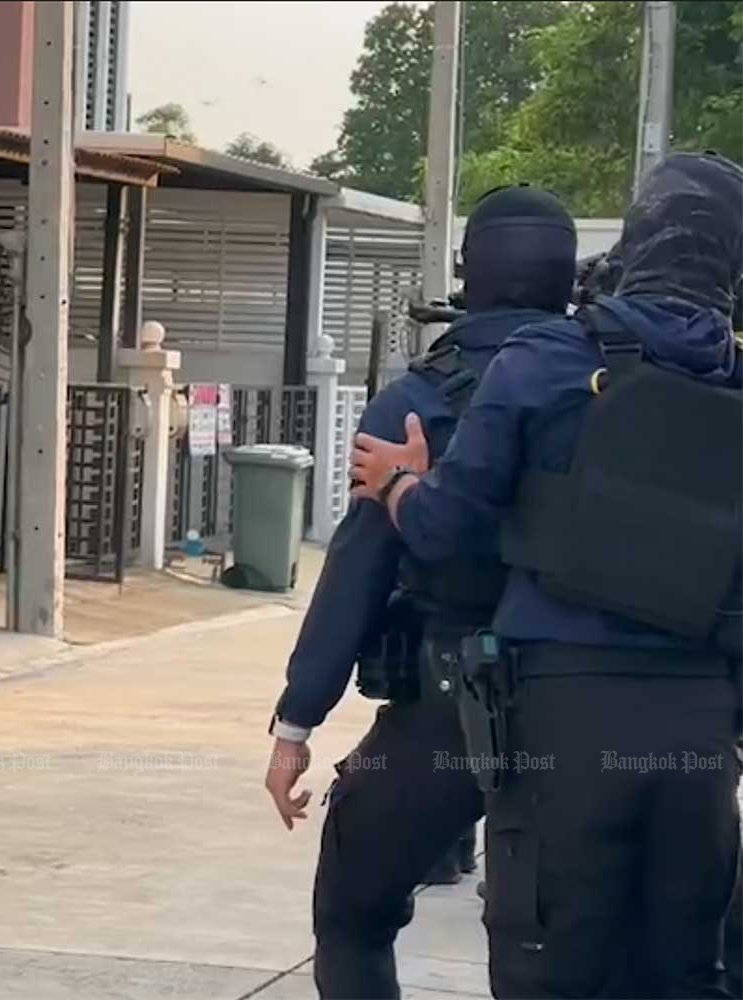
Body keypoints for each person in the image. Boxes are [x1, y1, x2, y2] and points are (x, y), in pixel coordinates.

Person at [351, 152, 743, 997]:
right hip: (702, 726)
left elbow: (447, 529)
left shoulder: (548, 360)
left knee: (555, 961)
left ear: (637, 241)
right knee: (687, 968)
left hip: (562, 710)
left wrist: (399, 484)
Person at [264, 185, 578, 998]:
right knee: (557, 939)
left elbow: (359, 568)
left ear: (467, 279)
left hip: (447, 707)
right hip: (591, 704)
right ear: (568, 282)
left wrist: (299, 718)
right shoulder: (608, 386)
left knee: (354, 908)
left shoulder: (417, 400)